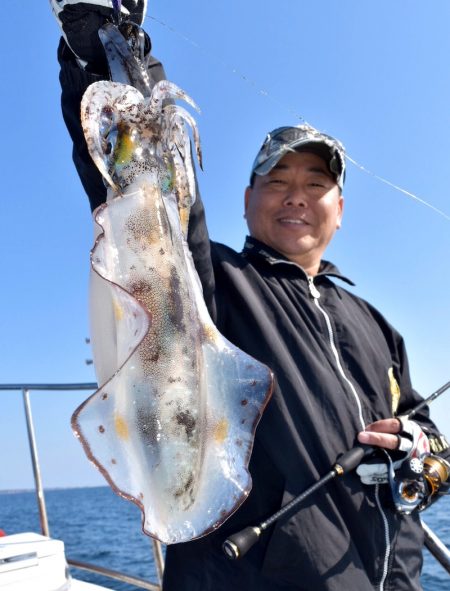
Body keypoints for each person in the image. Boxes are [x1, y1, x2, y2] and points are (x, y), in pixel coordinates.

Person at [51, 2, 450, 590]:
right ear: (245, 200)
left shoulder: (376, 325)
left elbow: (431, 442)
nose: (296, 197)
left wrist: (422, 453)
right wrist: (111, 48)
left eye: (316, 185)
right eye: (277, 182)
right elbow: (147, 197)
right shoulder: (214, 279)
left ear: (340, 211)